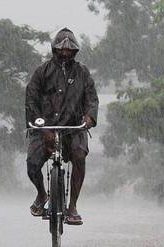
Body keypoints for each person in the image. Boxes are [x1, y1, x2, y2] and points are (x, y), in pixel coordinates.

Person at [25, 28, 99, 225]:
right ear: (54, 49)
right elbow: (31, 99)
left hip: (73, 128)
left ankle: (72, 206)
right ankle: (42, 195)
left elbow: (92, 98)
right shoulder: (42, 72)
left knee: (79, 157)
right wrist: (42, 127)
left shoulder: (82, 72)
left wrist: (89, 117)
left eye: (69, 50)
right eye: (61, 49)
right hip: (44, 129)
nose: (65, 53)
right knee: (32, 164)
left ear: (75, 51)